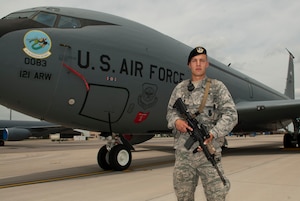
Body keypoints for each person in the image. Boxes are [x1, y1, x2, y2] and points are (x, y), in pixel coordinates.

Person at [166, 46, 238, 201]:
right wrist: (177, 121)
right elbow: (170, 112)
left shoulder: (217, 87)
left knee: (217, 196)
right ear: (189, 65)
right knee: (183, 197)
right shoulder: (180, 89)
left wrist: (213, 133)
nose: (198, 64)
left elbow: (231, 115)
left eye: (202, 61)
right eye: (194, 61)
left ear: (207, 64)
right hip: (184, 156)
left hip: (209, 152)